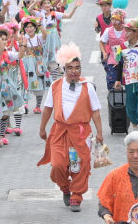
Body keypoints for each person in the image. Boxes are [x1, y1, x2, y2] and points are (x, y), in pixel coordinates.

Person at [38, 43, 103, 212]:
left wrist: (100, 133)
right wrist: (42, 128)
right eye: (70, 68)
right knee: (58, 165)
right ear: (64, 69)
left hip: (80, 133)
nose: (74, 71)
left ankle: (76, 196)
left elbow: (95, 111)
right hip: (59, 131)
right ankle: (65, 187)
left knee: (80, 164)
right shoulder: (56, 86)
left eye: (77, 68)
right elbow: (47, 109)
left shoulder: (88, 87)